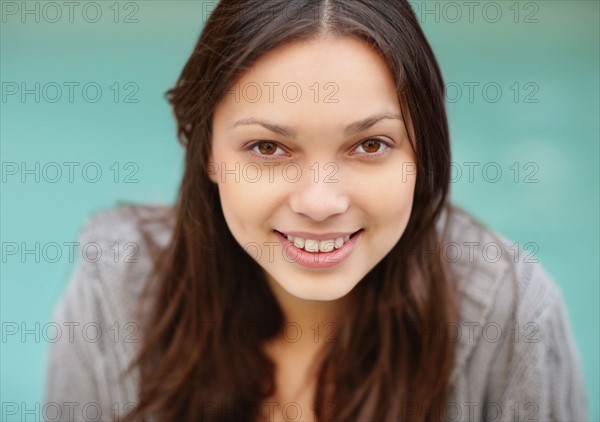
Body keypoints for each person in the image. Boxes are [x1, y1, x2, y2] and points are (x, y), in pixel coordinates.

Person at [44, 1, 588, 421]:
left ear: (425, 152)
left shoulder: (512, 317)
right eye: (268, 147)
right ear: (205, 151)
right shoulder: (113, 293)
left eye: (370, 145)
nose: (321, 202)